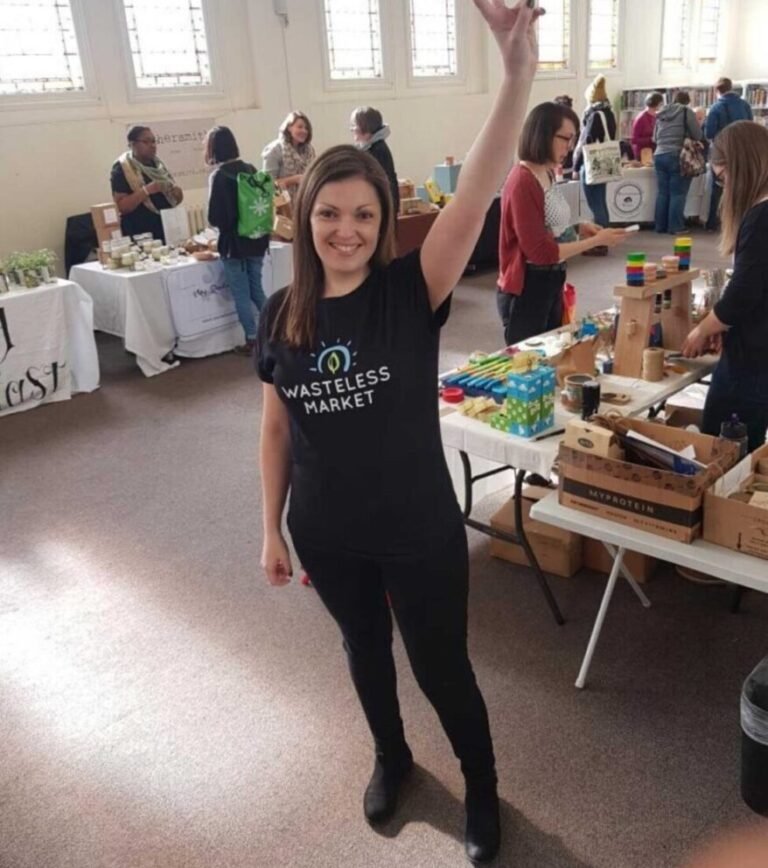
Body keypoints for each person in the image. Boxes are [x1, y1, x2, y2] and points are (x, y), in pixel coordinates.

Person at [256, 3, 543, 862]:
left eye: (365, 217)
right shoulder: (281, 312)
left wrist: (517, 73)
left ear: (385, 225)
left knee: (440, 665)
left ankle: (482, 788)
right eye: (329, 214)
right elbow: (276, 431)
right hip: (330, 531)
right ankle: (391, 756)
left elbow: (481, 184)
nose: (346, 231)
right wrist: (268, 526)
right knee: (362, 651)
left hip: (417, 527)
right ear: (305, 220)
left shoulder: (409, 292)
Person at [497, 101, 627, 346]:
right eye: (564, 138)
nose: (570, 147)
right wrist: (595, 241)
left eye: (573, 139)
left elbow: (547, 223)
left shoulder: (545, 172)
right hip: (527, 287)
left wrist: (577, 227)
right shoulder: (522, 181)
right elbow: (541, 252)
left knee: (555, 353)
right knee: (530, 361)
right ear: (542, 134)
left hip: (550, 281)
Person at [682, 121, 768, 452]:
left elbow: (744, 293)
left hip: (754, 358)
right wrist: (723, 324)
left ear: (741, 166)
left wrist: (702, 329)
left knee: (721, 442)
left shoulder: (760, 217)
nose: (725, 187)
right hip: (755, 346)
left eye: (724, 177)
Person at [205, 126, 268, 357]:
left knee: (241, 293)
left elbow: (215, 217)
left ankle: (251, 339)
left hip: (233, 244)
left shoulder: (219, 176)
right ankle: (277, 329)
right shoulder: (250, 169)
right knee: (256, 288)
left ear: (213, 149)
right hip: (257, 239)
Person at [110, 126, 183, 242]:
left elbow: (173, 199)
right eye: (146, 141)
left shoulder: (158, 165)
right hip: (140, 232)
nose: (152, 145)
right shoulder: (122, 167)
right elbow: (122, 207)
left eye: (153, 141)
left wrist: (177, 194)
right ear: (132, 144)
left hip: (166, 228)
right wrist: (146, 191)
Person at [705, 78, 754, 231]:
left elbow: (709, 132)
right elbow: (750, 126)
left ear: (717, 90)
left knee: (718, 187)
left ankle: (714, 222)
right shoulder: (745, 105)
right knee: (741, 185)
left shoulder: (716, 107)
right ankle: (739, 221)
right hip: (742, 151)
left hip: (722, 151)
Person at [573, 73, 617, 242]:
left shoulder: (594, 115)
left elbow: (585, 143)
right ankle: (607, 235)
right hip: (605, 162)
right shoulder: (609, 113)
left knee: (594, 203)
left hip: (592, 163)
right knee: (601, 201)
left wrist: (576, 167)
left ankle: (601, 240)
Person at [652, 90, 703, 235]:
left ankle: (660, 226)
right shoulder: (687, 112)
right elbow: (698, 134)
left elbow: (654, 138)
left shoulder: (661, 113)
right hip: (677, 155)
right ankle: (675, 227)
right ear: (687, 101)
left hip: (659, 155)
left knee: (662, 193)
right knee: (678, 193)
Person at [350, 106, 399, 215]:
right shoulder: (371, 148)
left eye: (354, 125)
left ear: (364, 126)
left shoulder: (377, 150)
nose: (351, 129)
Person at [262, 110, 316, 199]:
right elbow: (266, 186)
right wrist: (294, 180)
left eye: (306, 128)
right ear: (289, 127)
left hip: (306, 201)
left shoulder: (309, 150)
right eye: (300, 127)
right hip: (282, 206)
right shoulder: (274, 150)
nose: (304, 131)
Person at [631, 92, 664, 160]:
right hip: (643, 154)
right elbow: (634, 140)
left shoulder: (656, 116)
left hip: (654, 152)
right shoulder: (640, 118)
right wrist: (650, 139)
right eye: (661, 104)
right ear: (657, 105)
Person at [553, 95, 576, 177]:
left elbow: (570, 147)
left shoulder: (555, 126)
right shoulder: (574, 124)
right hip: (569, 167)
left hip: (564, 168)